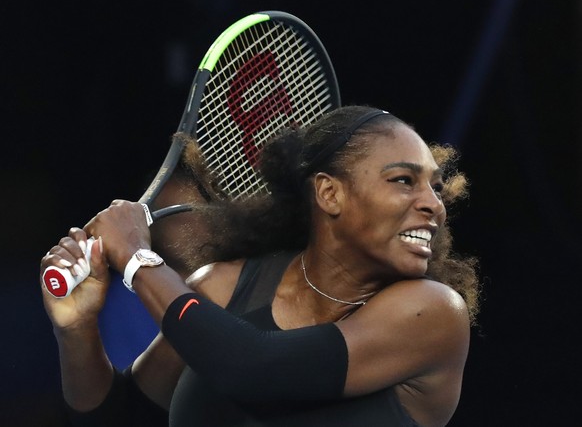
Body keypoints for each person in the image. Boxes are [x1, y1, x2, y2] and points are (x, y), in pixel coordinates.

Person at [40, 105, 480, 427]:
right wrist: (76, 331)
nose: (433, 204)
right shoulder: (221, 287)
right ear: (329, 194)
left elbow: (255, 370)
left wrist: (137, 258)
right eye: (404, 181)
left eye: (436, 188)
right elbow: (118, 417)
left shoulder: (433, 314)